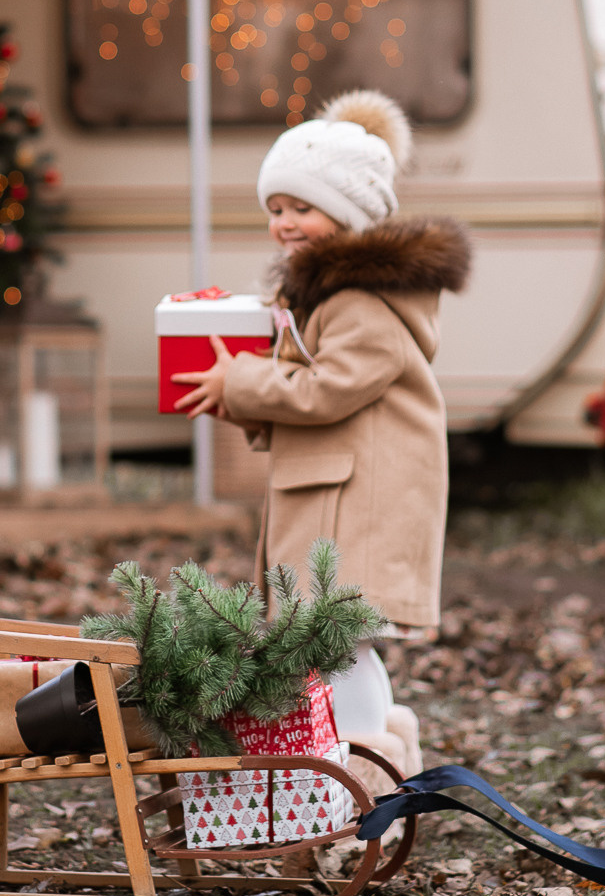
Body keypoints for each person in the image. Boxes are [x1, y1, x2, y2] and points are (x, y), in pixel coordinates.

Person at [172, 90, 470, 782]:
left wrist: (241, 381)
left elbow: (331, 387)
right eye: (275, 209)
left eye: (301, 207)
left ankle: (364, 786)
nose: (284, 224)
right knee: (333, 646)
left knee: (336, 645)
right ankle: (369, 775)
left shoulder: (364, 299)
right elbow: (312, 393)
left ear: (351, 211)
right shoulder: (330, 296)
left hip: (359, 506)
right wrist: (238, 396)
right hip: (334, 497)